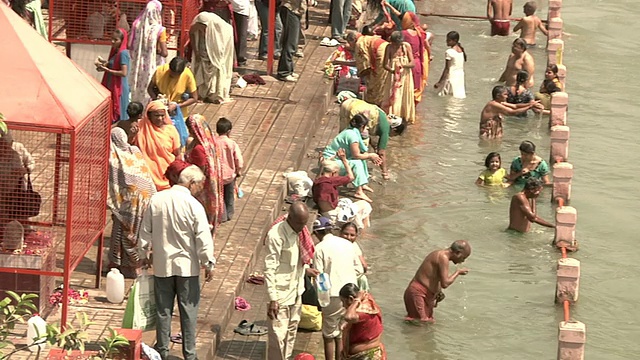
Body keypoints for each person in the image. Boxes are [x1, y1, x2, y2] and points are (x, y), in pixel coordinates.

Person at [138, 165, 215, 360]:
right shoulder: (194, 206)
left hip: (163, 265)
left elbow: (145, 231)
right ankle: (189, 354)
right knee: (188, 311)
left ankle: (162, 350)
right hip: (187, 267)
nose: (200, 189)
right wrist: (208, 263)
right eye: (199, 185)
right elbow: (203, 239)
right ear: (191, 183)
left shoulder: (157, 200)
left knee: (163, 310)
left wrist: (143, 253)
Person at [265, 202, 320, 360]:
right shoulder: (276, 235)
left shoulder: (300, 232)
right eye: (299, 223)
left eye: (304, 223)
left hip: (296, 291)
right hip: (280, 295)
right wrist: (273, 299)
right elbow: (269, 268)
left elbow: (298, 259)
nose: (302, 227)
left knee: (291, 331)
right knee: (278, 336)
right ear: (290, 218)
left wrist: (306, 270)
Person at [107, 127, 156, 278]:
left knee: (122, 233)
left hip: (127, 204)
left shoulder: (114, 158)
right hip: (146, 199)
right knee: (139, 232)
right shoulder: (135, 151)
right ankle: (136, 263)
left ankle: (124, 265)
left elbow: (113, 183)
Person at [312, 217, 358, 360]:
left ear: (317, 233)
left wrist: (321, 301)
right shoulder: (348, 245)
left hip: (332, 295)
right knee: (341, 331)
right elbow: (359, 268)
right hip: (351, 293)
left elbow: (319, 278)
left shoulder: (319, 249)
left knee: (328, 335)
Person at [404, 240, 471, 323]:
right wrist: (457, 272)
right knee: (421, 324)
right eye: (463, 258)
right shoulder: (442, 257)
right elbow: (445, 283)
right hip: (418, 293)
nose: (463, 261)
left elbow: (434, 277)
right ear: (457, 252)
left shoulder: (442, 256)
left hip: (426, 295)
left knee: (427, 324)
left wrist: (438, 292)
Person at [339, 98, 406, 179]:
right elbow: (381, 153)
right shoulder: (386, 129)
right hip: (356, 111)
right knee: (361, 147)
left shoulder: (383, 115)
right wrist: (385, 172)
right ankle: (355, 174)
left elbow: (369, 127)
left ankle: (339, 163)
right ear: (394, 129)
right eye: (394, 135)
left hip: (348, 103)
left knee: (344, 136)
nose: (391, 136)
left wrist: (373, 144)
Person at [322, 115, 382, 203]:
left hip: (337, 158)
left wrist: (369, 155)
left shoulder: (351, 131)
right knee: (357, 163)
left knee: (362, 158)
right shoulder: (352, 135)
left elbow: (360, 153)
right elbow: (356, 155)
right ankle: (358, 192)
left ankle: (362, 183)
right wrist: (371, 155)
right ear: (362, 127)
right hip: (329, 162)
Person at [312, 149, 372, 229]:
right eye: (337, 173)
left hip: (327, 211)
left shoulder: (318, 180)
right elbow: (351, 177)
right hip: (333, 215)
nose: (338, 175)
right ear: (333, 173)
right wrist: (344, 161)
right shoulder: (327, 183)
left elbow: (322, 168)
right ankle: (364, 231)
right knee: (365, 205)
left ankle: (362, 228)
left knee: (357, 207)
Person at [185, 114, 224, 228]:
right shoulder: (211, 143)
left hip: (200, 187)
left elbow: (199, 171)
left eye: (190, 129)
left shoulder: (198, 149)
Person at [128, 0, 169, 104]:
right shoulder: (159, 29)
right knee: (152, 89)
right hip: (154, 65)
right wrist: (155, 50)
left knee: (138, 87)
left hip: (138, 65)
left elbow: (129, 45)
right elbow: (165, 53)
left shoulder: (136, 26)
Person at [135, 100, 181, 191]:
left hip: (168, 178)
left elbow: (177, 153)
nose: (160, 118)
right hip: (147, 178)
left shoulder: (171, 130)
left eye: (162, 115)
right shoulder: (140, 129)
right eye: (156, 116)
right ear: (149, 116)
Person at [190, 12, 234, 104]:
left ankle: (214, 94)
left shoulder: (218, 25)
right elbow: (191, 33)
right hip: (203, 48)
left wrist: (216, 54)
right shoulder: (197, 22)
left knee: (215, 69)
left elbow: (223, 41)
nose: (203, 28)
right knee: (202, 69)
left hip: (218, 46)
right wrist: (196, 50)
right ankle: (202, 94)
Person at [0, 118, 36, 225]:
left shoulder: (18, 147)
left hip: (17, 188)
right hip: (2, 189)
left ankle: (21, 231)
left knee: (18, 212)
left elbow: (31, 162)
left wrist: (25, 170)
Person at [339, 283, 386, 360]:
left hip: (368, 354)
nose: (343, 305)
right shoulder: (364, 303)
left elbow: (348, 317)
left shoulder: (364, 310)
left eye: (343, 301)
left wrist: (356, 301)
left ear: (351, 299)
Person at [382, 31, 415, 124]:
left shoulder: (406, 46)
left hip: (405, 76)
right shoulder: (388, 47)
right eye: (394, 44)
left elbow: (412, 63)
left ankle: (403, 116)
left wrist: (403, 66)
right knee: (393, 96)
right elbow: (384, 64)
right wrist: (393, 71)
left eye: (397, 44)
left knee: (404, 94)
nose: (395, 46)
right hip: (393, 76)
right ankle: (393, 116)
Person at [215, 117, 244, 222]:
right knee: (229, 196)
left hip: (217, 176)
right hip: (230, 175)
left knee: (220, 197)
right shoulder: (232, 143)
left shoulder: (213, 143)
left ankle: (222, 216)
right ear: (229, 131)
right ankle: (229, 214)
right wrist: (238, 171)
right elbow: (239, 160)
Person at [99, 29, 131, 123]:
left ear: (122, 41)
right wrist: (105, 64)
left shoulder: (123, 53)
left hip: (119, 88)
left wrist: (107, 70)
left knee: (118, 116)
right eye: (112, 39)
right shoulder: (116, 52)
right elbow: (114, 64)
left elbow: (123, 73)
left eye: (115, 40)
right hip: (112, 86)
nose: (112, 42)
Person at [400, 12, 429, 106]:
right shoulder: (419, 34)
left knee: (404, 90)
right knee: (414, 90)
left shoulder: (403, 34)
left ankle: (405, 113)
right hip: (417, 64)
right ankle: (413, 114)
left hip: (407, 63)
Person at [354, 32, 389, 106]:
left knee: (378, 79)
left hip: (380, 53)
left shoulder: (358, 43)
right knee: (385, 77)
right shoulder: (366, 37)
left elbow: (365, 65)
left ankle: (375, 101)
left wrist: (360, 74)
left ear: (353, 40)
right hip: (386, 47)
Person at [276, 0, 306, 82]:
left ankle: (289, 69)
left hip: (296, 10)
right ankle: (284, 72)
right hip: (290, 9)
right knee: (290, 42)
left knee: (293, 41)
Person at [434, 31, 467, 99]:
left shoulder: (449, 52)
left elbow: (447, 69)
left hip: (452, 76)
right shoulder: (461, 50)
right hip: (460, 76)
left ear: (454, 40)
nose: (446, 41)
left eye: (448, 40)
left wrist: (440, 82)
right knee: (458, 95)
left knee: (446, 96)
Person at [340, 222, 370, 292]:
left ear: (356, 236)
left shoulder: (354, 246)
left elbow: (364, 265)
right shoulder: (353, 245)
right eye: (346, 234)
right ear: (340, 233)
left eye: (352, 235)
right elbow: (364, 266)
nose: (348, 237)